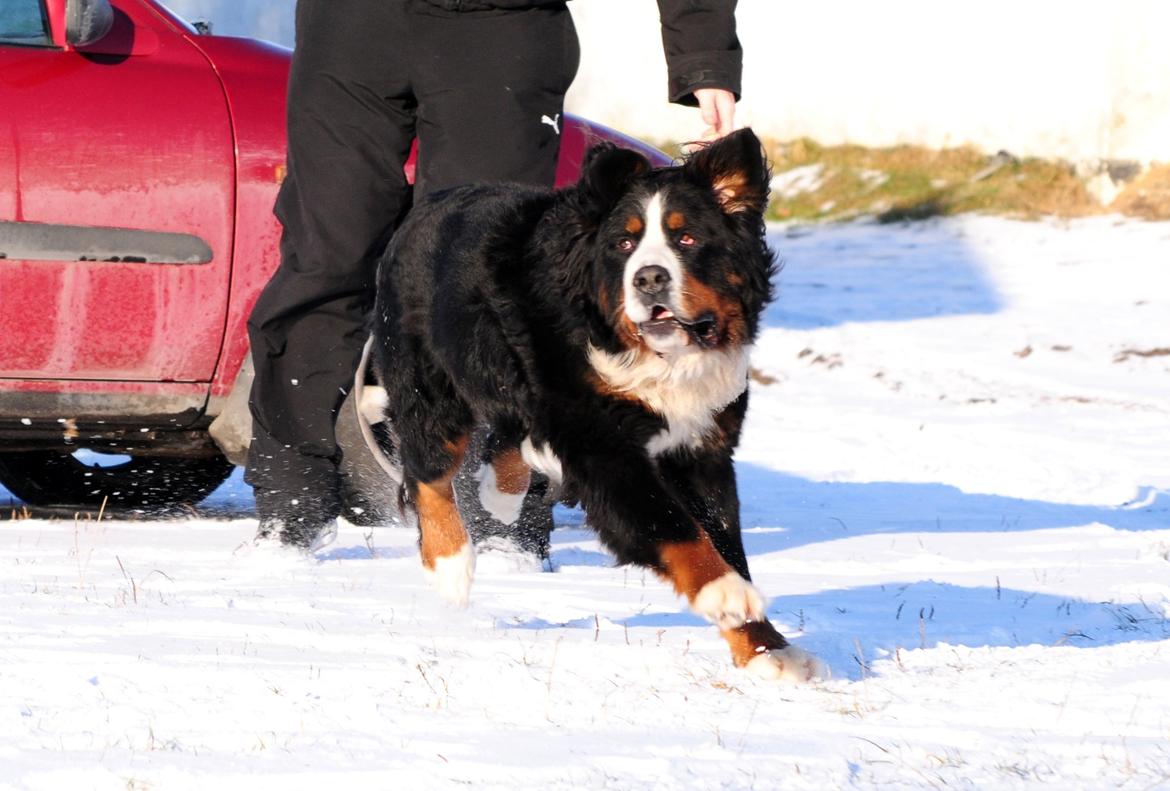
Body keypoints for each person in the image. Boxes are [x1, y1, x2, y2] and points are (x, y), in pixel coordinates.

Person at [246, 0, 744, 551]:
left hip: (499, 27)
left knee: (486, 272)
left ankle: (505, 518)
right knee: (326, 255)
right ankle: (291, 509)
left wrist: (704, 59)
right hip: (351, 27)